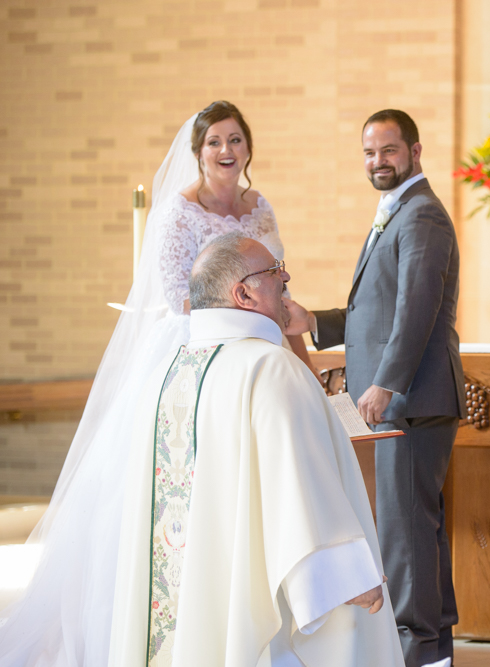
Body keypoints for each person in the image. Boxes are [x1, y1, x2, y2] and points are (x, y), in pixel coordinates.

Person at [0, 101, 314, 666]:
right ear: (198, 153)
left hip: (259, 350)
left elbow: (277, 282)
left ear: (248, 148)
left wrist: (298, 349)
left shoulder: (259, 206)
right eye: (215, 141)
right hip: (192, 347)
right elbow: (177, 295)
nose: (226, 151)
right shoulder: (179, 213)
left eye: (235, 140)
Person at [108, 233, 404, 667]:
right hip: (259, 594)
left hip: (189, 594)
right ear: (242, 294)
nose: (286, 276)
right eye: (273, 272)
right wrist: (346, 578)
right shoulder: (270, 367)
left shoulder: (167, 373)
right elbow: (300, 484)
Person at [285, 109, 464, 667]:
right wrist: (312, 320)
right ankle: (433, 655)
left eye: (388, 150)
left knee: (407, 537)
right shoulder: (399, 213)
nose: (377, 162)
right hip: (409, 398)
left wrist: (387, 382)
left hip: (412, 400)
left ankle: (414, 653)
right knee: (417, 531)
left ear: (414, 151)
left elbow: (416, 309)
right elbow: (376, 309)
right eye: (369, 153)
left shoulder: (421, 217)